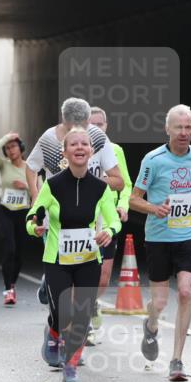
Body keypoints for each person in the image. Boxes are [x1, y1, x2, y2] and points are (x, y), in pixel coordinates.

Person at [130, 104, 191, 382]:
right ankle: (152, 324)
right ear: (167, 129)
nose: (183, 132)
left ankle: (177, 359)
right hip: (158, 238)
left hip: (189, 235)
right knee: (159, 302)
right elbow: (133, 198)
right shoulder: (153, 160)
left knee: (185, 292)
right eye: (178, 127)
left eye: (188, 127)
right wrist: (154, 208)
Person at [26, 128, 121, 382]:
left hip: (88, 258)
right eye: (74, 144)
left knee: (81, 313)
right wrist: (34, 227)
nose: (80, 148)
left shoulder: (100, 187)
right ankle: (54, 331)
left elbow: (113, 220)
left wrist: (110, 231)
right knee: (62, 312)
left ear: (91, 151)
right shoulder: (53, 185)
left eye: (85, 144)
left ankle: (70, 365)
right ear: (65, 152)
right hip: (57, 259)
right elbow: (33, 214)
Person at [86, 106, 132, 345]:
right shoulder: (79, 150)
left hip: (109, 220)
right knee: (84, 273)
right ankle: (83, 323)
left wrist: (123, 205)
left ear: (106, 126)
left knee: (103, 278)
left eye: (100, 124)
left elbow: (125, 184)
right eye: (91, 124)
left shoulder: (115, 150)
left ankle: (91, 302)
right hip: (84, 221)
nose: (96, 128)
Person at [0, 132, 29, 305]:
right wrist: (5, 138)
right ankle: (8, 289)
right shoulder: (4, 165)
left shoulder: (30, 167)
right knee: (9, 249)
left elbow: (40, 190)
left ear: (21, 148)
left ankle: (12, 283)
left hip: (23, 213)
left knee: (19, 254)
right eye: (7, 148)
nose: (11, 150)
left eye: (13, 146)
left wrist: (25, 186)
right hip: (5, 211)